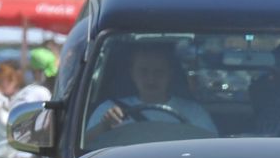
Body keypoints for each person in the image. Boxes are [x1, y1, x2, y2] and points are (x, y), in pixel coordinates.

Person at [87, 40, 217, 134]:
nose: (151, 79)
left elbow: (211, 151)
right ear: (132, 73)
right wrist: (104, 126)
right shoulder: (109, 111)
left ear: (170, 74)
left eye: (159, 72)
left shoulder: (193, 112)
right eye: (143, 71)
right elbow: (84, 153)